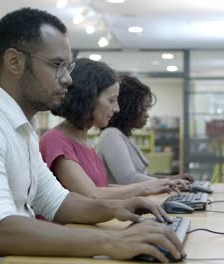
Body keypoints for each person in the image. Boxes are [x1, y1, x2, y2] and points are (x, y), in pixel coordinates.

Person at [0, 8, 184, 264]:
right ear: (14, 62)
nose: (68, 79)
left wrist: (119, 207)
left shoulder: (23, 129)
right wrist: (112, 242)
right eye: (57, 65)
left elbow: (58, 202)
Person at [39, 58, 186, 199]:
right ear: (87, 98)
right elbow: (92, 195)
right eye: (111, 100)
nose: (117, 109)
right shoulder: (55, 141)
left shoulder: (84, 143)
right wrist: (147, 187)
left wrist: (159, 185)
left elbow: (103, 187)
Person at [97, 75, 194, 184]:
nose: (147, 115)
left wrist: (173, 179)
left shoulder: (119, 136)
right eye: (144, 108)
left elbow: (141, 176)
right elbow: (129, 179)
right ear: (128, 108)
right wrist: (168, 182)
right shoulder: (111, 135)